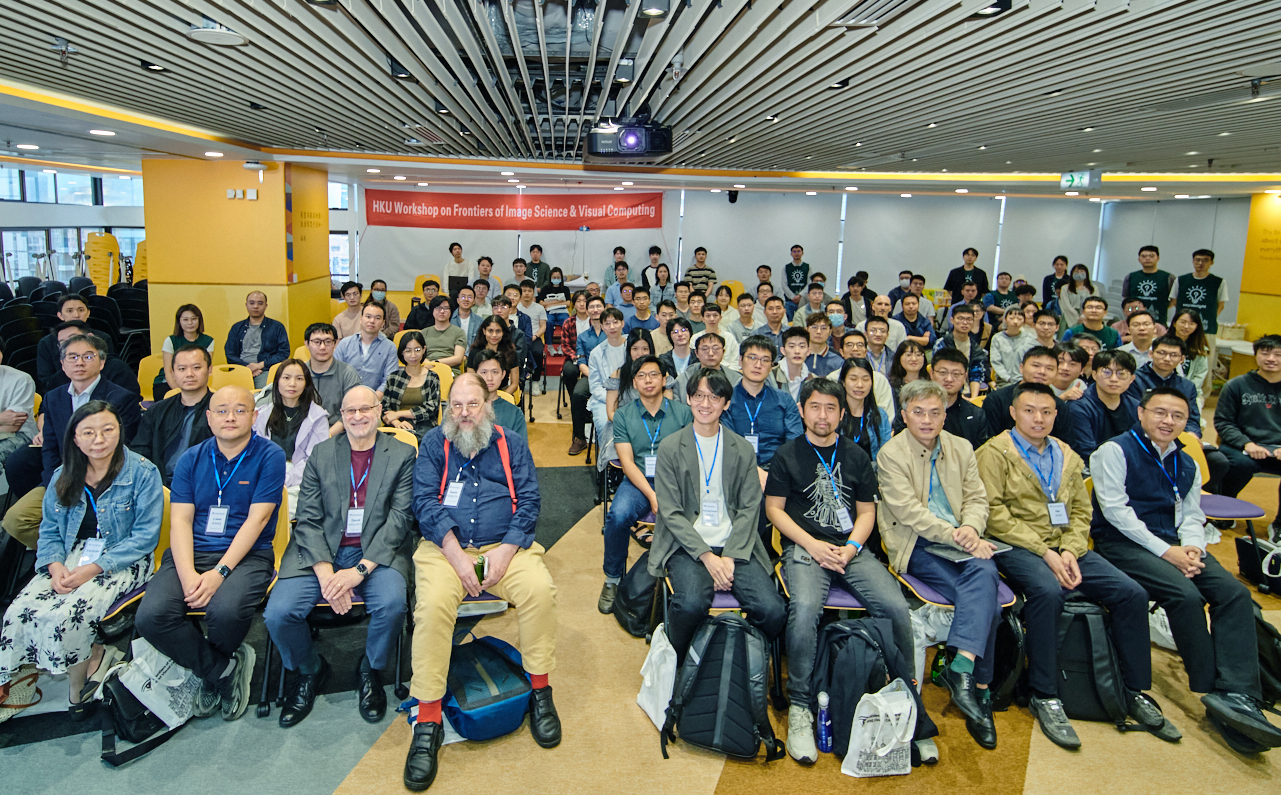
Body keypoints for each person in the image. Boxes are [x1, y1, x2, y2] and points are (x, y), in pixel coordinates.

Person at [976, 383, 1177, 749]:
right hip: (1017, 545)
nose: (1038, 418)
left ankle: (1132, 689)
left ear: (1056, 414)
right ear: (1013, 413)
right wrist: (1045, 551)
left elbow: (1082, 509)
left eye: (1046, 412)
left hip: (1067, 545)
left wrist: (1069, 548)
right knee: (1048, 592)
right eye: (1029, 410)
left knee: (1132, 593)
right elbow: (993, 515)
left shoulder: (1066, 453)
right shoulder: (994, 453)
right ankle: (1045, 693)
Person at [1090, 387, 1281, 753]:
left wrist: (1192, 546)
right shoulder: (1114, 451)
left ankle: (1238, 693)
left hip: (1176, 544)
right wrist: (1168, 552)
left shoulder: (1186, 460)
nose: (1168, 421)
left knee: (1235, 594)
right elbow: (1117, 512)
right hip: (1123, 544)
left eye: (1177, 416)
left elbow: (1191, 513)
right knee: (1185, 596)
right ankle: (1211, 691)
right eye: (1160, 413)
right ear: (1142, 412)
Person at [404, 376, 558, 790]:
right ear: (447, 408)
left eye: (473, 404)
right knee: (433, 606)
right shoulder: (435, 443)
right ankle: (429, 716)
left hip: (505, 546)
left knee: (540, 591)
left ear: (488, 406)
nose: (464, 413)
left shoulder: (511, 443)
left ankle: (541, 690)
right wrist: (455, 555)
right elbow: (423, 502)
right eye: (456, 405)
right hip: (445, 548)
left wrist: (506, 551)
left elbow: (529, 501)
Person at [766, 379, 919, 763]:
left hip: (851, 549)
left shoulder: (856, 455)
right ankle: (801, 706)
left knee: (896, 608)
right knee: (803, 613)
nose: (822, 415)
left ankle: (906, 698)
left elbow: (868, 513)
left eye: (830, 408)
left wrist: (850, 548)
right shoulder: (787, 454)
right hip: (806, 548)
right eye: (815, 407)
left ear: (841, 412)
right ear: (802, 411)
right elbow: (775, 510)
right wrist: (813, 545)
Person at [264, 386, 415, 728]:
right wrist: (327, 574)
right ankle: (310, 669)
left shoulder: (403, 454)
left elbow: (400, 520)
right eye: (350, 411)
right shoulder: (322, 453)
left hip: (376, 551)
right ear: (341, 416)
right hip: (321, 552)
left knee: (392, 604)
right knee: (278, 613)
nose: (358, 417)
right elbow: (308, 517)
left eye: (365, 409)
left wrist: (357, 572)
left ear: (379, 411)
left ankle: (371, 669)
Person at [0, 402, 161, 719]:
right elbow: (48, 531)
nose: (99, 439)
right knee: (19, 611)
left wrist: (92, 569)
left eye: (108, 430)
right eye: (88, 432)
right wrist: (54, 565)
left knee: (68, 614)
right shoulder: (64, 474)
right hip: (74, 554)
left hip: (124, 557)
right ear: (75, 438)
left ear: (120, 431)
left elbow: (144, 537)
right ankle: (94, 655)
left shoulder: (142, 471)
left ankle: (76, 691)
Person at [135, 386, 286, 722]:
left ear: (254, 415)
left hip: (247, 555)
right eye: (221, 410)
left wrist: (219, 573)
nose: (229, 417)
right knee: (151, 617)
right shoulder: (191, 458)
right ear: (208, 417)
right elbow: (180, 520)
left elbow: (258, 519)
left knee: (224, 610)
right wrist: (188, 574)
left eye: (239, 410)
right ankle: (222, 668)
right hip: (190, 553)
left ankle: (213, 667)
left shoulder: (270, 455)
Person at [877, 378, 999, 750]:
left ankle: (962, 671)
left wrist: (971, 527)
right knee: (987, 595)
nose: (927, 420)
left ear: (946, 414)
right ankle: (978, 687)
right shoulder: (891, 453)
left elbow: (978, 498)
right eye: (918, 413)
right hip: (917, 544)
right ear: (904, 415)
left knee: (986, 575)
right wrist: (957, 535)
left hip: (962, 538)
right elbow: (909, 512)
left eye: (935, 412)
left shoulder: (962, 447)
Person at [649, 368, 785, 661]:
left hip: (735, 544)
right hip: (688, 546)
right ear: (688, 399)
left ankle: (741, 661)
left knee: (773, 611)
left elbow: (750, 507)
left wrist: (729, 558)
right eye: (698, 395)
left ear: (726, 403)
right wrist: (708, 558)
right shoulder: (671, 447)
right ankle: (683, 667)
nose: (705, 403)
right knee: (690, 605)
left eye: (714, 397)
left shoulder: (742, 449)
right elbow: (671, 513)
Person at [1, 333, 142, 550]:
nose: (79, 363)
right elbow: (49, 447)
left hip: (105, 482)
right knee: (16, 520)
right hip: (64, 478)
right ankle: (67, 553)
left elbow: (122, 450)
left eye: (87, 356)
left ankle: (89, 555)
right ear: (62, 365)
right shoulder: (54, 397)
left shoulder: (119, 398)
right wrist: (53, 484)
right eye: (72, 357)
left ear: (102, 361)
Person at [598, 355, 693, 612]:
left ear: (664, 379)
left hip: (675, 481)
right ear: (634, 383)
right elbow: (627, 463)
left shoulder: (683, 413)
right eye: (641, 376)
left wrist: (669, 491)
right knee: (617, 516)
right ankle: (613, 578)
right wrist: (652, 495)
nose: (648, 380)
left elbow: (689, 459)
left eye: (653, 374)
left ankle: (687, 574)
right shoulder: (623, 416)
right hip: (638, 481)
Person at [1213, 335, 1281, 537]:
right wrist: (1247, 444)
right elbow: (1223, 422)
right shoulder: (1236, 385)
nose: (1271, 358)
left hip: (1278, 448)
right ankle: (1226, 509)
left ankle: (1279, 525)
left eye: (1278, 354)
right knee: (1240, 464)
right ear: (1256, 355)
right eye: (1265, 353)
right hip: (1242, 445)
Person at [253, 360, 330, 520]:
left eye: (299, 379)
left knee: (279, 511)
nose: (292, 384)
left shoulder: (318, 417)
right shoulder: (262, 414)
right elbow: (255, 453)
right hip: (266, 475)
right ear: (277, 382)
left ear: (306, 383)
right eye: (286, 378)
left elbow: (314, 460)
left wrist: (286, 480)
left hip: (301, 482)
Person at [132, 344, 214, 485]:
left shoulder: (221, 410)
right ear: (172, 373)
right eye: (182, 369)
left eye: (196, 368)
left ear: (209, 370)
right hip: (160, 484)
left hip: (205, 485)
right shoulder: (157, 411)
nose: (189, 374)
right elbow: (139, 450)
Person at [895, 347, 987, 450]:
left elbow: (979, 454)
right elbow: (899, 445)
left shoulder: (976, 414)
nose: (949, 379)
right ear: (931, 373)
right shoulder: (912, 409)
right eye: (943, 372)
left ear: (965, 377)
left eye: (956, 374)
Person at [983, 347, 1074, 441]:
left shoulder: (1059, 406)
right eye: (1036, 366)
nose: (1042, 372)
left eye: (1049, 368)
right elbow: (989, 442)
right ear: (1021, 368)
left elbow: (1067, 445)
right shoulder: (997, 400)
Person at [1069, 349, 1139, 460]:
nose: (1114, 379)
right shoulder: (1079, 407)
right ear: (1094, 374)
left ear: (1131, 379)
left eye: (1121, 373)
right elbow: (1086, 451)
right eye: (1107, 372)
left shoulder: (1137, 407)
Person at [298, 323, 361, 433]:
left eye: (328, 342)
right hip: (302, 432)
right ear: (307, 344)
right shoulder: (298, 372)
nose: (322, 347)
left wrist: (328, 437)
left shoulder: (347, 372)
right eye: (317, 342)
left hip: (338, 433)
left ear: (335, 343)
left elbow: (352, 411)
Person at [1173, 248, 1226, 377]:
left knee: (1205, 365)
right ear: (1193, 261)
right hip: (1181, 330)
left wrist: (1199, 324)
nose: (1200, 263)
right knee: (1177, 360)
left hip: (1207, 330)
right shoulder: (1181, 280)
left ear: (1211, 263)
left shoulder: (1218, 282)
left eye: (1205, 260)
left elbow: (1221, 305)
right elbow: (1174, 301)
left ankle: (1202, 395)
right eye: (1197, 260)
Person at [35, 294, 103, 391]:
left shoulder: (102, 338)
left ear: (88, 313)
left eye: (81, 310)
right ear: (60, 315)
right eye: (69, 311)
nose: (76, 315)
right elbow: (45, 380)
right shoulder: (46, 343)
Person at [381, 331, 442, 441]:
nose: (413, 355)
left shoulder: (432, 377)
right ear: (402, 353)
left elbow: (431, 409)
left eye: (417, 350)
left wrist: (398, 414)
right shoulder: (394, 377)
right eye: (408, 350)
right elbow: (385, 409)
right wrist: (396, 422)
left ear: (424, 349)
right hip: (396, 426)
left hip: (424, 426)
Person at [588, 308, 629, 468]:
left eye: (616, 322)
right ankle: (609, 467)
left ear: (622, 323)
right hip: (603, 400)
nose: (612, 327)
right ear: (602, 326)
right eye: (607, 323)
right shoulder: (596, 353)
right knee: (605, 423)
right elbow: (595, 386)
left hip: (630, 398)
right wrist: (612, 401)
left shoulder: (632, 347)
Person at [567, 295, 607, 456]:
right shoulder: (583, 336)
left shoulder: (613, 331)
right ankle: (579, 438)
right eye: (592, 307)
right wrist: (594, 376)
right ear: (587, 310)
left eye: (599, 306)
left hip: (613, 377)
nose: (595, 309)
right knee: (577, 394)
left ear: (604, 309)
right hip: (591, 376)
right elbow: (581, 360)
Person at [226, 291, 290, 389]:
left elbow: (284, 353)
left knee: (264, 394)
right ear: (246, 305)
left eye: (260, 303)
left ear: (266, 305)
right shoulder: (237, 327)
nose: (255, 306)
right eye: (252, 303)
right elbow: (230, 354)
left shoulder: (277, 327)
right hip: (240, 370)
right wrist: (248, 368)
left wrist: (260, 365)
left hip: (265, 370)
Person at [837, 358, 893, 467]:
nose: (860, 385)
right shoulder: (835, 414)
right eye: (853, 379)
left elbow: (886, 454)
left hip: (872, 474)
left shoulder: (880, 415)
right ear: (843, 382)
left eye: (865, 379)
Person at [334, 302, 399, 393]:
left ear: (383, 323)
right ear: (361, 319)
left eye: (377, 318)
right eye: (368, 317)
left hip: (375, 401)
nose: (372, 321)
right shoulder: (345, 344)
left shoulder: (390, 347)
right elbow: (336, 375)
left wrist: (372, 400)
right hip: (345, 398)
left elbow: (389, 379)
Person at [0, 338, 37, 498]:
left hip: (19, 436)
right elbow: (5, 422)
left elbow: (12, 426)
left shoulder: (20, 379)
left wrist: (5, 422)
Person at [157, 304, 216, 401]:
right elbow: (169, 371)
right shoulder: (170, 340)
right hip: (168, 382)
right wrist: (179, 392)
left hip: (194, 382)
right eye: (185, 320)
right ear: (179, 322)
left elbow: (204, 369)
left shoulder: (208, 341)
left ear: (199, 320)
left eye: (194, 319)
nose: (190, 323)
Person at [934, 305, 988, 399]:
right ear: (952, 320)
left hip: (968, 393)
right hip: (945, 393)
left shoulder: (976, 348)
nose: (965, 323)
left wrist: (973, 398)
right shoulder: (942, 344)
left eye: (969, 319)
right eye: (960, 318)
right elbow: (939, 373)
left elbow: (976, 374)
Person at [673, 332, 742, 404]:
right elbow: (678, 410)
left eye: (716, 348)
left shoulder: (736, 380)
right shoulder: (682, 380)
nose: (710, 353)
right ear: (696, 353)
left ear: (723, 352)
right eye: (705, 349)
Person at [473, 350, 527, 438]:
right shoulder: (461, 409)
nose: (489, 378)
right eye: (484, 372)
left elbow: (520, 449)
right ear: (475, 375)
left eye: (495, 372)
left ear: (503, 374)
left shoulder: (515, 414)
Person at [1122, 245, 1176, 326]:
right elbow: (1126, 298)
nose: (1147, 258)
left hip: (1158, 321)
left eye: (1151, 256)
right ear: (1139, 259)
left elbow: (1173, 300)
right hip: (1134, 320)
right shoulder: (1130, 277)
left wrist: (1163, 307)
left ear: (1158, 258)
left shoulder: (1168, 277)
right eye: (1143, 256)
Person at [467, 316, 520, 392]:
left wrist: (503, 399)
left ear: (503, 332)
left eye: (498, 331)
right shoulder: (475, 352)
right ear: (484, 331)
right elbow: (471, 379)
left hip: (503, 391)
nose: (494, 335)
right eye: (490, 331)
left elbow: (514, 384)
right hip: (480, 391)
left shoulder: (510, 352)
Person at [1170, 309, 1211, 405]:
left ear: (1197, 327)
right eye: (1183, 322)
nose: (1186, 326)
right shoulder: (1161, 344)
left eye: (1191, 323)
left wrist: (1187, 390)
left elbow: (1200, 374)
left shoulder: (1201, 349)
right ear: (1174, 323)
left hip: (1190, 393)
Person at [991, 305, 1037, 387]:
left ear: (1024, 321)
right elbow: (996, 361)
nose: (1015, 321)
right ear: (1005, 320)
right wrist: (1008, 378)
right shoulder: (997, 338)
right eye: (1011, 318)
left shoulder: (1030, 338)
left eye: (1019, 319)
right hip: (1004, 382)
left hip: (1025, 381)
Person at [420, 296, 467, 374]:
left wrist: (436, 363)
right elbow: (419, 355)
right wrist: (428, 364)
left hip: (450, 370)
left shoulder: (459, 332)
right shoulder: (424, 333)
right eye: (438, 308)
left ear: (451, 311)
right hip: (427, 370)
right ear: (432, 311)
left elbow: (458, 358)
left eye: (446, 308)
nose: (442, 311)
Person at [692, 303, 740, 370]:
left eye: (715, 315)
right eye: (708, 316)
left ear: (720, 318)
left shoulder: (729, 337)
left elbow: (736, 360)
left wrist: (727, 373)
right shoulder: (695, 338)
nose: (712, 319)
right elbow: (694, 361)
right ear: (702, 318)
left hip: (727, 374)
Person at [769, 327, 811, 400]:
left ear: (808, 351)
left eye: (802, 346)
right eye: (791, 346)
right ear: (783, 351)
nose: (797, 351)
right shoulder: (771, 376)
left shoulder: (812, 380)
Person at [1057, 264, 1102, 329]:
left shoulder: (1093, 288)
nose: (1079, 274)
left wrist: (1084, 315)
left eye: (1082, 272)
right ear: (1072, 274)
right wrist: (1077, 318)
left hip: (1088, 316)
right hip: (1069, 317)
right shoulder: (1065, 288)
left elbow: (1095, 303)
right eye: (1077, 272)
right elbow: (1065, 305)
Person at [783, 244, 810, 312]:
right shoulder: (786, 267)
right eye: (794, 252)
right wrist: (792, 297)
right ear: (791, 254)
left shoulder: (807, 267)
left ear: (802, 253)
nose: (796, 253)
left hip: (804, 299)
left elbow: (809, 283)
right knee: (789, 321)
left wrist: (800, 295)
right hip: (789, 300)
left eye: (798, 251)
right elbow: (784, 284)